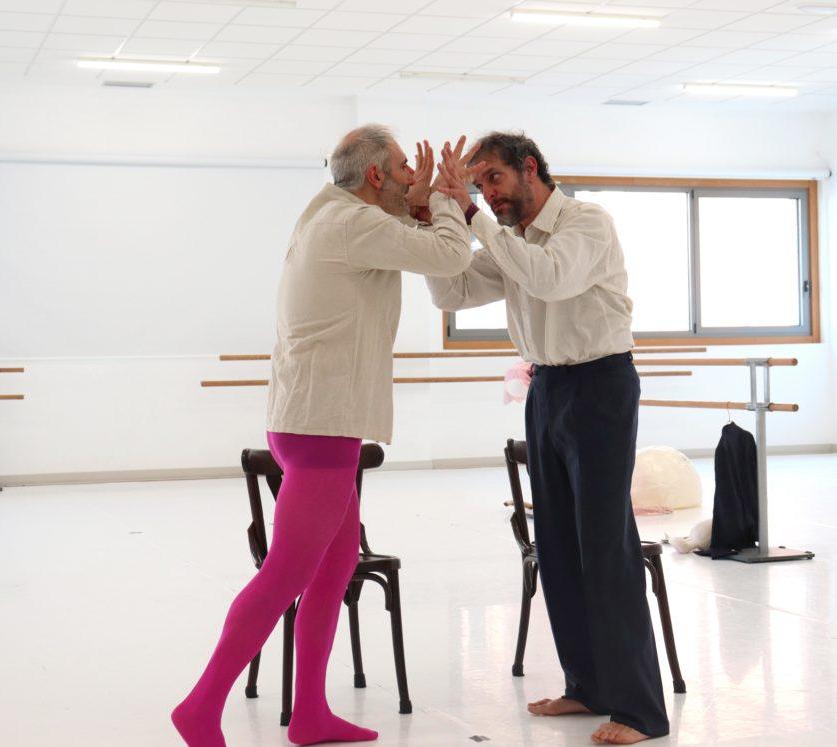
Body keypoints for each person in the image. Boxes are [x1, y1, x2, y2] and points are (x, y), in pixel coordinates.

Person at [172, 124, 474, 747]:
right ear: (375, 176)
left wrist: (416, 204)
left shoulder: (335, 216)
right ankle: (199, 708)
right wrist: (446, 199)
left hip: (312, 421)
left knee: (333, 569)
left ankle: (309, 712)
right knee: (285, 574)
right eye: (402, 168)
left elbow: (403, 241)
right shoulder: (352, 225)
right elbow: (449, 255)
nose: (410, 176)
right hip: (321, 427)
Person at [427, 132, 669, 745]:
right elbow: (452, 290)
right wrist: (436, 217)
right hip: (547, 389)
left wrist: (472, 215)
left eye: (493, 179)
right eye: (477, 185)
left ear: (529, 168)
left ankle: (640, 710)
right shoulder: (512, 241)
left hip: (600, 386)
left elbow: (551, 279)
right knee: (557, 544)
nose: (488, 193)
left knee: (606, 546)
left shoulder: (586, 223)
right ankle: (587, 686)